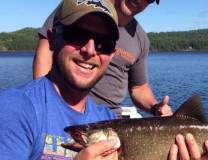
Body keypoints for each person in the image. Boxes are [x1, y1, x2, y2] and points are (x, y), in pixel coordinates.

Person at [0, 0, 208, 160]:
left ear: (112, 54)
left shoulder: (104, 118)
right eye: (77, 35)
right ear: (53, 38)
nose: (90, 50)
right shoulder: (15, 108)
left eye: (104, 43)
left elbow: (139, 86)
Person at [33, 0, 172, 117]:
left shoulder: (141, 39)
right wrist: (46, 104)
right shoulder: (80, 7)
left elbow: (139, 87)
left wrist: (155, 107)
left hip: (111, 118)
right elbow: (45, 52)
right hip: (65, 109)